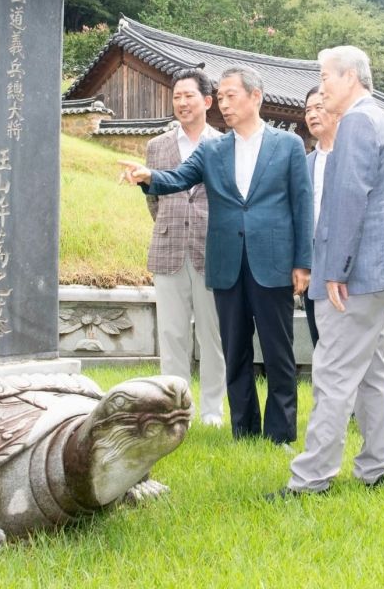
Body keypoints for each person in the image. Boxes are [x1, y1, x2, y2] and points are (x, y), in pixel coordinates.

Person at [120, 65, 313, 446]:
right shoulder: (213, 149)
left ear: (255, 97)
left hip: (272, 262)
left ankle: (280, 432)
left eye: (230, 96)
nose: (223, 104)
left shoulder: (287, 145)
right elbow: (176, 178)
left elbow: (302, 205)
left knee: (278, 351)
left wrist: (302, 262)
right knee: (235, 349)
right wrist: (148, 177)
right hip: (226, 264)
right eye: (220, 98)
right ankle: (244, 430)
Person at [273, 45, 384, 498]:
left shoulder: (356, 122)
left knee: (332, 373)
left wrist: (337, 269)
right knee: (371, 371)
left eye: (325, 76)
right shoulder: (377, 120)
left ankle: (310, 480)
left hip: (355, 274)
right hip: (377, 272)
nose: (321, 85)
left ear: (350, 77)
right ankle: (377, 466)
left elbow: (349, 200)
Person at [145, 68, 226, 426]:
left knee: (213, 335)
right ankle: (172, 411)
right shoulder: (156, 146)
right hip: (168, 248)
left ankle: (211, 410)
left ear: (207, 101)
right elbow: (153, 200)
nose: (181, 103)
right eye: (176, 96)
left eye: (188, 96)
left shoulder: (224, 144)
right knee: (172, 334)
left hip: (212, 251)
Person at [303, 85, 340, 347]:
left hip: (344, 259)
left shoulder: (351, 155)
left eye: (319, 107)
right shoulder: (305, 162)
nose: (312, 114)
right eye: (307, 110)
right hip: (313, 261)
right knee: (320, 338)